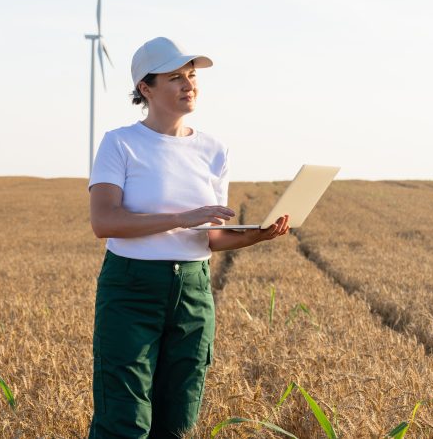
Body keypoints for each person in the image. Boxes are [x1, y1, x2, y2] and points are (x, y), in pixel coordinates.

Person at [87, 37, 291, 439]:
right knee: (123, 419)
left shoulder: (215, 149)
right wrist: (182, 217)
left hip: (194, 292)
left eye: (192, 75)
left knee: (180, 421)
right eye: (175, 77)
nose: (189, 84)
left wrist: (258, 236)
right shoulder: (120, 143)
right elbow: (105, 221)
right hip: (131, 288)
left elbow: (210, 238)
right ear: (145, 88)